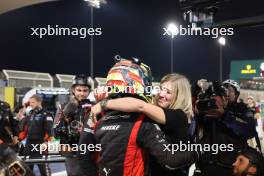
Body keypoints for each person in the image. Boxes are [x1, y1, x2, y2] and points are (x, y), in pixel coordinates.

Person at [93, 57, 199, 176]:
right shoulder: (154, 110)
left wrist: (104, 104)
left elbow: (140, 106)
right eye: (161, 89)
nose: (161, 94)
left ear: (180, 96)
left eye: (168, 92)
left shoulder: (179, 116)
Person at [192, 80, 256, 176]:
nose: (227, 93)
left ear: (236, 95)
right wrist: (196, 88)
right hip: (205, 167)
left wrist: (224, 115)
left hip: (231, 168)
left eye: (230, 90)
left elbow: (249, 131)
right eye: (224, 90)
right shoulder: (208, 107)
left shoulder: (242, 110)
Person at [54, 74, 96, 176]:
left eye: (85, 90)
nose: (82, 94)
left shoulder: (94, 107)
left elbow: (99, 131)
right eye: (79, 90)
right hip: (71, 154)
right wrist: (65, 117)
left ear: (89, 91)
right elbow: (55, 132)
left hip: (89, 152)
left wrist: (85, 130)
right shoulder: (63, 107)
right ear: (73, 90)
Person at [20, 94, 53, 176]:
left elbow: (51, 131)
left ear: (39, 102)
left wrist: (46, 142)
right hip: (28, 144)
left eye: (33, 102)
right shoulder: (30, 113)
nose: (30, 104)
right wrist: (19, 139)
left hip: (40, 144)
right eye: (30, 102)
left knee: (43, 169)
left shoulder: (46, 114)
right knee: (27, 169)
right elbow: (24, 129)